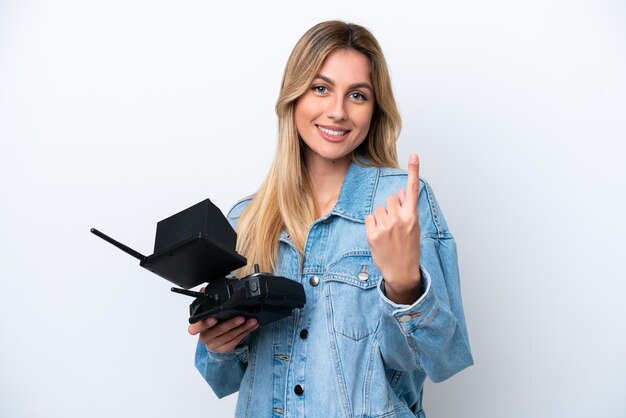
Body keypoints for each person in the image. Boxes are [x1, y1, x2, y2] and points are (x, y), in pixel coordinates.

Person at [188, 20, 473, 417]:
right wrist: (220, 345)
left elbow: (444, 359)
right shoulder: (247, 219)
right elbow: (222, 381)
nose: (337, 111)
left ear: (375, 110)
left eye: (357, 95)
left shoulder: (402, 205)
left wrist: (405, 284)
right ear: (294, 97)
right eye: (321, 88)